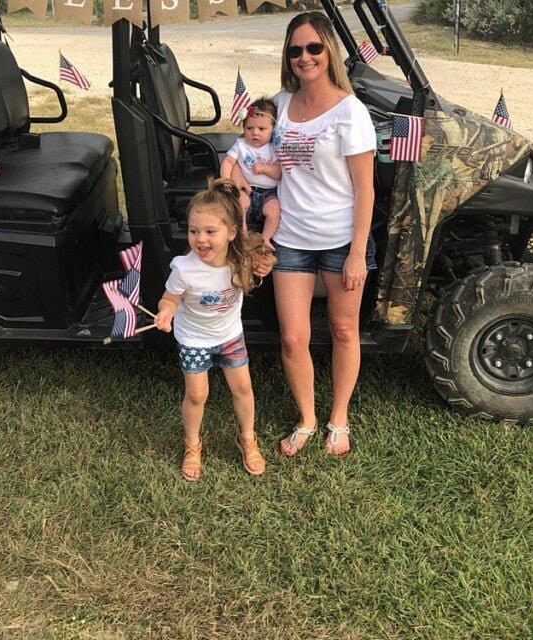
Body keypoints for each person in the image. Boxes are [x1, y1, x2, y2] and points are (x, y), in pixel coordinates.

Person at [271, 11, 377, 457]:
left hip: (340, 241)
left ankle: (338, 419)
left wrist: (356, 254)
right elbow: (267, 164)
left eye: (314, 47)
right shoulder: (279, 103)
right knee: (293, 338)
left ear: (329, 50)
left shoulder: (350, 112)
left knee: (342, 329)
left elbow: (365, 190)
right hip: (291, 239)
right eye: (296, 50)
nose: (304, 57)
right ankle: (308, 420)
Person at [155, 178, 276, 481]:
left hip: (229, 336)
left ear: (231, 233)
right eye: (194, 231)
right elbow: (170, 297)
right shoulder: (184, 268)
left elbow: (265, 261)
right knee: (197, 394)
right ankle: (192, 444)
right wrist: (165, 312)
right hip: (193, 339)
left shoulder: (241, 259)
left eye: (210, 231)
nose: (200, 239)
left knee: (243, 388)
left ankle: (247, 437)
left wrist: (266, 265)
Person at [220, 98, 281, 249]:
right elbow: (228, 162)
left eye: (261, 129)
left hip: (268, 193)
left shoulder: (273, 147)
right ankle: (243, 233)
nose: (255, 133)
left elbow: (279, 173)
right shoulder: (241, 145)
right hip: (247, 190)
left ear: (273, 129)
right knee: (240, 204)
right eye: (249, 128)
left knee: (274, 211)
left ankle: (266, 238)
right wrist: (227, 181)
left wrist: (265, 169)